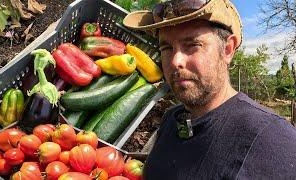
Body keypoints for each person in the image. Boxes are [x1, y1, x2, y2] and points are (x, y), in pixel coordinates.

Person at [123, 0, 296, 179]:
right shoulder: (171, 120)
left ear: (228, 50)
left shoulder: (272, 140)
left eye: (192, 45)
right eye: (167, 48)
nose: (175, 61)